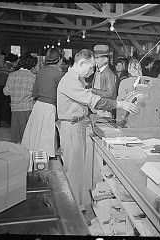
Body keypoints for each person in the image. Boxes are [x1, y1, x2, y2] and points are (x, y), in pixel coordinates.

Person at [56, 49, 138, 206]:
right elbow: (94, 100)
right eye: (90, 67)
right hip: (71, 128)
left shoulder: (78, 79)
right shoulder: (70, 81)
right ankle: (72, 210)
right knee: (73, 171)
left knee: (79, 170)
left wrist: (92, 117)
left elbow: (83, 103)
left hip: (78, 125)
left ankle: (79, 204)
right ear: (81, 63)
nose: (92, 71)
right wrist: (121, 104)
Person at [21, 48, 65, 157]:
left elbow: (34, 92)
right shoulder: (59, 74)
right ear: (59, 59)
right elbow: (62, 96)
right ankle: (46, 158)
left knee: (35, 135)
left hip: (38, 105)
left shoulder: (40, 72)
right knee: (47, 136)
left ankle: (34, 158)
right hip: (50, 106)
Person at [3, 53, 36, 144]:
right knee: (27, 136)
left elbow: (6, 92)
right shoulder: (33, 77)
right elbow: (36, 93)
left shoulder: (11, 75)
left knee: (16, 137)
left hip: (14, 109)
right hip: (28, 108)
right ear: (31, 65)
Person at [91, 44, 116, 118]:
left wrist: (93, 90)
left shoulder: (108, 73)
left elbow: (109, 93)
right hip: (98, 108)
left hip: (104, 111)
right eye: (95, 59)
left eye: (97, 59)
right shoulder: (98, 71)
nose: (95, 61)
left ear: (105, 60)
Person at [0, 53, 18, 127]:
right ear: (13, 60)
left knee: (0, 104)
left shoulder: (2, 66)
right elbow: (13, 78)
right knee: (6, 105)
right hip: (6, 87)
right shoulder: (11, 67)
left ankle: (1, 120)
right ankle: (6, 121)